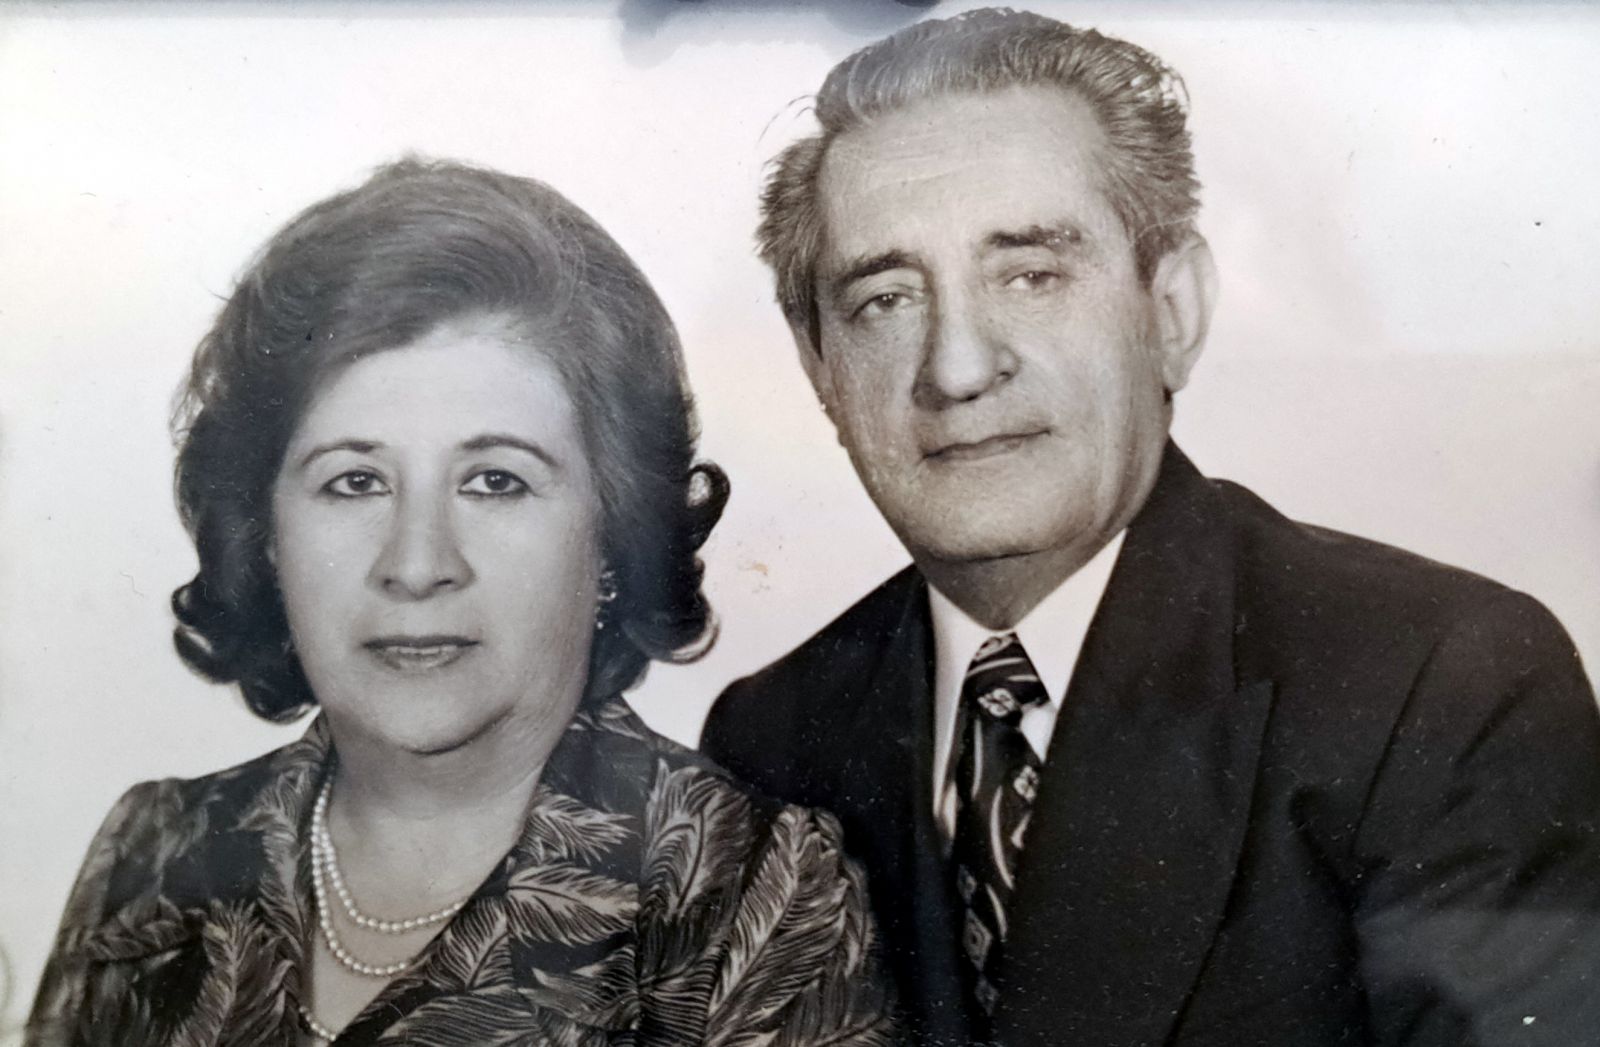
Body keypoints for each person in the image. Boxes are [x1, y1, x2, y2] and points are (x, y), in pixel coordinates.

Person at [701, 10, 1600, 1047]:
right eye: (885, 300)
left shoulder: (1439, 687)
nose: (957, 367)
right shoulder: (770, 740)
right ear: (818, 365)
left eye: (1030, 275)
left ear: (1171, 312)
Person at [26, 158, 892, 1047]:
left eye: (495, 481)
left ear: (614, 532)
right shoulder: (156, 851)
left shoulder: (751, 894)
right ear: (268, 533)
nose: (416, 564)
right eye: (355, 481)